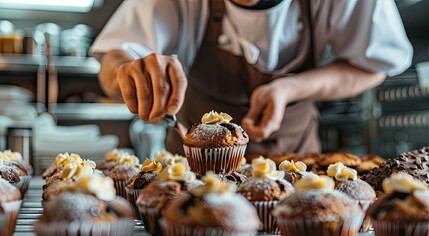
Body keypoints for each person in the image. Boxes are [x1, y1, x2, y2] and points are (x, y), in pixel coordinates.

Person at [90, 0, 412, 156]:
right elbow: (113, 56)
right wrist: (129, 73)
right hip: (190, 171)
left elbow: (374, 66)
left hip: (296, 165)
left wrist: (291, 88)